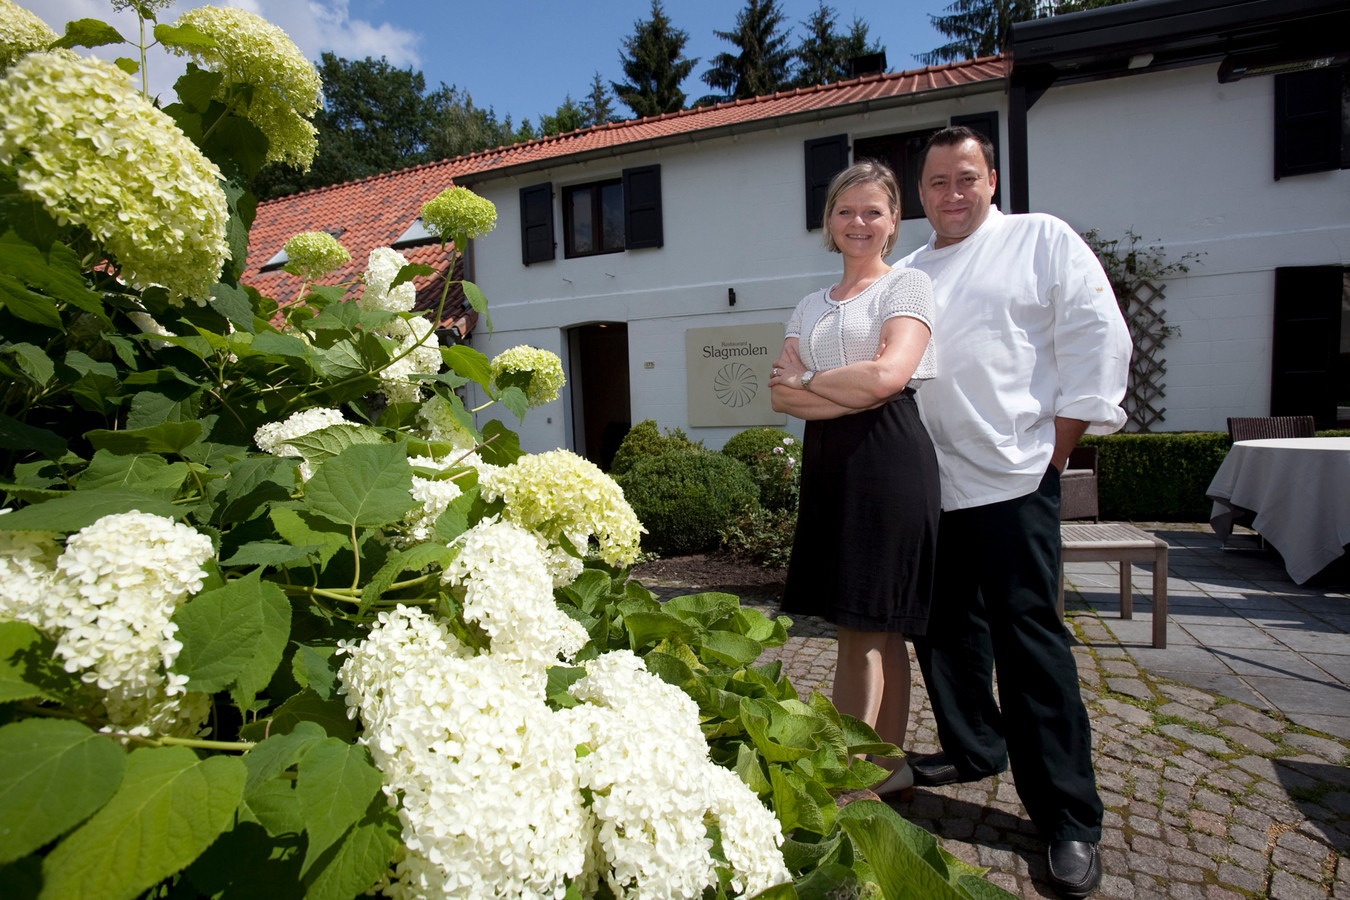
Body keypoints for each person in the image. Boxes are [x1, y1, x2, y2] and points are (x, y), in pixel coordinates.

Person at [898, 126, 1130, 899]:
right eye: (936, 182)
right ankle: (972, 748)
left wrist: (1059, 446)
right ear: (920, 193)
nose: (952, 193)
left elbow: (1096, 332)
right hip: (935, 486)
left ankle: (1069, 819)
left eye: (966, 177)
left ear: (991, 180)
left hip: (1013, 478)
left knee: (1032, 647)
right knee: (942, 632)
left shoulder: (1041, 241)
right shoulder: (908, 271)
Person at [769, 160, 939, 799]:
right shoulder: (810, 304)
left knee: (865, 629)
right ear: (828, 223)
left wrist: (814, 383)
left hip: (889, 462)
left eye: (873, 211)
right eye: (846, 211)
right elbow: (780, 398)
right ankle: (887, 767)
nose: (859, 222)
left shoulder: (908, 287)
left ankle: (845, 775)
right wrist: (844, 388)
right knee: (872, 627)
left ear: (894, 221)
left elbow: (889, 378)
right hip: (832, 463)